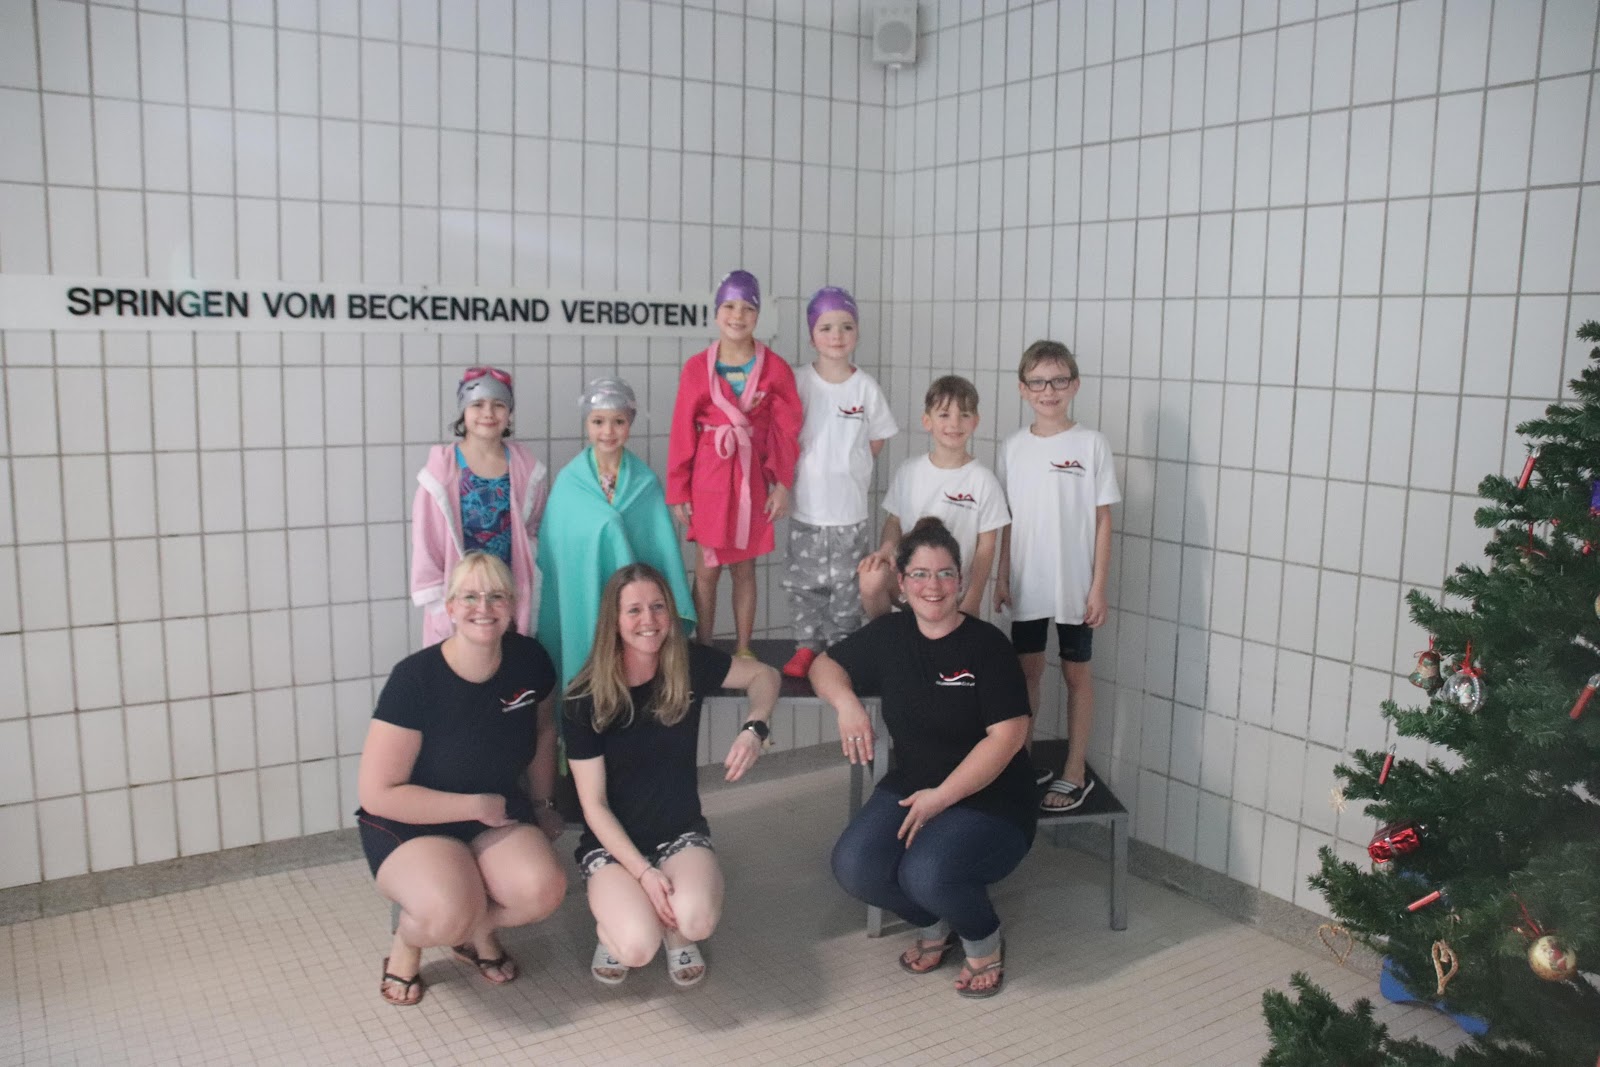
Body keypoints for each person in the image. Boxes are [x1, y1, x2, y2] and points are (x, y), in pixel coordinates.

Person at [811, 518, 1035, 999]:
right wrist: (847, 705)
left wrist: (941, 798)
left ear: (960, 580)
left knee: (924, 872)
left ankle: (983, 938)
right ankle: (936, 922)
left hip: (991, 798)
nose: (933, 586)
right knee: (854, 865)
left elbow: (1008, 736)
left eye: (944, 573)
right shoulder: (890, 635)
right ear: (901, 581)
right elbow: (824, 665)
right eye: (920, 574)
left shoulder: (987, 646)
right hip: (915, 783)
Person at [356, 553, 567, 1006]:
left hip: (495, 812)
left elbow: (544, 731)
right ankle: (409, 942)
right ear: (450, 607)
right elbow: (377, 794)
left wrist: (544, 804)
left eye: (496, 596)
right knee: (445, 912)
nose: (483, 608)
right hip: (411, 822)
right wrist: (473, 806)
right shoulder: (414, 679)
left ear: (512, 605)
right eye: (469, 597)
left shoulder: (529, 659)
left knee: (542, 890)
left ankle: (476, 930)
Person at [564, 563, 781, 987]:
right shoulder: (584, 697)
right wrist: (644, 874)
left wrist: (755, 727)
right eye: (634, 610)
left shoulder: (687, 664)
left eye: (658, 606)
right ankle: (614, 928)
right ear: (614, 620)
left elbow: (764, 675)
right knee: (636, 946)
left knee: (696, 921)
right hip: (612, 846)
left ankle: (675, 929)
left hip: (679, 832)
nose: (648, 620)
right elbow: (594, 805)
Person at [994, 340, 1120, 812]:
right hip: (1028, 580)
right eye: (1038, 382)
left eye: (1058, 380)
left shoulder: (1091, 444)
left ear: (1075, 385)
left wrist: (1098, 587)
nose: (1049, 391)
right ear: (1023, 389)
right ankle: (1019, 763)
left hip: (1075, 585)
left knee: (1075, 673)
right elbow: (1006, 520)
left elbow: (1103, 520)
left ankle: (1074, 770)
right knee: (1026, 672)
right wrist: (1001, 577)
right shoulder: (1012, 448)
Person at [666, 270, 802, 656]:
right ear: (715, 313)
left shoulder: (775, 369)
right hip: (708, 477)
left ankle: (744, 648)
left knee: (745, 568)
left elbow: (786, 431)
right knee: (707, 568)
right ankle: (705, 648)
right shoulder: (697, 368)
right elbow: (682, 431)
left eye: (747, 308)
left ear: (758, 315)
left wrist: (782, 484)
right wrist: (678, 489)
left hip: (751, 478)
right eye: (729, 306)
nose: (737, 316)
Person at [537, 377, 695, 695]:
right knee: (585, 671)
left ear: (630, 423)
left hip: (635, 607)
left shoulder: (645, 483)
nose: (608, 431)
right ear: (587, 423)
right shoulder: (569, 482)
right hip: (585, 595)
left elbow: (660, 551)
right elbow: (556, 550)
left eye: (618, 422)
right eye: (598, 422)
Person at [780, 286, 898, 679]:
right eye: (826, 327)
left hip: (849, 513)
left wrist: (850, 466)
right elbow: (783, 435)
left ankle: (842, 650)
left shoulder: (865, 388)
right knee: (805, 584)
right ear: (812, 335)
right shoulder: (798, 382)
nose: (837, 335)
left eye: (846, 326)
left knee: (847, 586)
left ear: (857, 333)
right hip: (807, 510)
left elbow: (876, 438)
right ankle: (806, 647)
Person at [412, 366, 549, 645]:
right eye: (478, 405)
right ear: (463, 411)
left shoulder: (527, 470)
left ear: (509, 413)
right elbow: (426, 543)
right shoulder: (440, 474)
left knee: (509, 661)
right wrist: (440, 604)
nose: (488, 413)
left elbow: (536, 527)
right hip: (461, 597)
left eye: (498, 405)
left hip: (508, 594)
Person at [859, 375, 1009, 621]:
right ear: (927, 421)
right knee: (871, 577)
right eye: (944, 415)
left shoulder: (983, 480)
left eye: (964, 415)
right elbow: (894, 522)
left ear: (975, 421)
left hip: (950, 593)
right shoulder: (909, 471)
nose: (954, 423)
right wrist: (886, 549)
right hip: (909, 586)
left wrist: (973, 599)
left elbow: (986, 547)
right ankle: (887, 637)